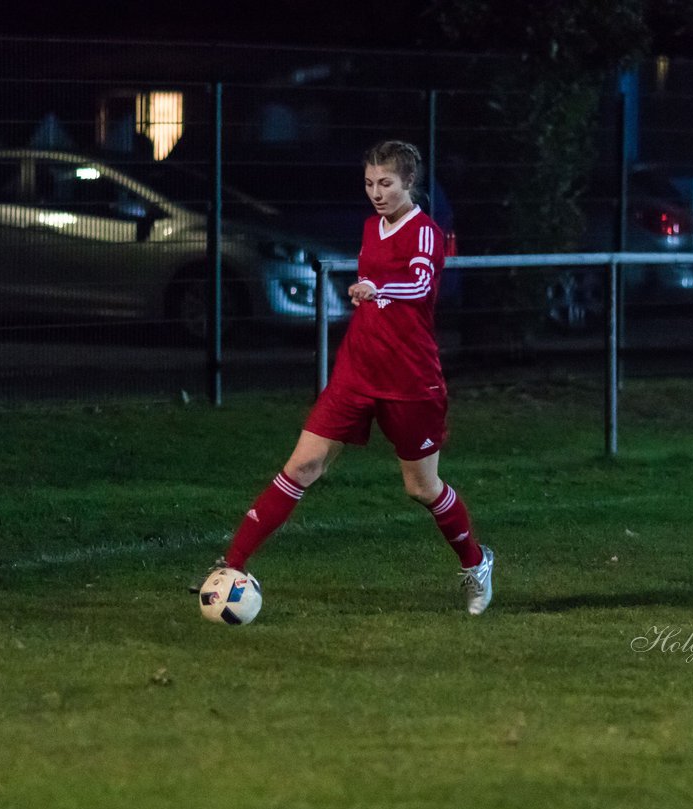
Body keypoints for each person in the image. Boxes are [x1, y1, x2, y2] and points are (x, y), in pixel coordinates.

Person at [194, 140, 494, 615]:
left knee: (421, 488)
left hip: (410, 378)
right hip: (356, 371)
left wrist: (380, 290)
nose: (376, 193)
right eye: (370, 183)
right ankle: (230, 564)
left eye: (386, 184)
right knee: (302, 467)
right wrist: (374, 295)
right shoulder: (372, 225)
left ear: (408, 183)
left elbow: (419, 286)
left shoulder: (426, 233)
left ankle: (476, 563)